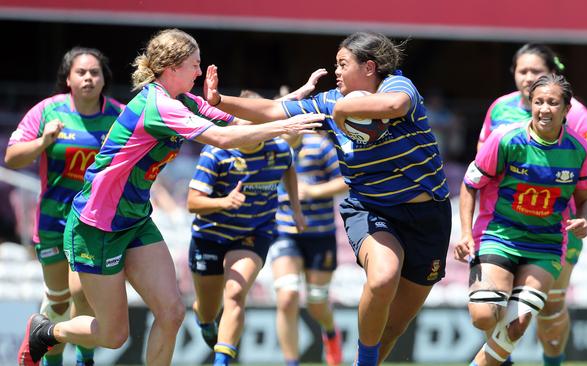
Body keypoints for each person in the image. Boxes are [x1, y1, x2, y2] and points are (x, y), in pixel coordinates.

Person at [17, 28, 323, 366]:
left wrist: (297, 99)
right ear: (173, 66)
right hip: (98, 225)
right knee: (113, 335)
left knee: (172, 312)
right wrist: (285, 128)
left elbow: (241, 118)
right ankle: (46, 332)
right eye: (195, 64)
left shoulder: (184, 101)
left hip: (134, 220)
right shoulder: (159, 105)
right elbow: (223, 138)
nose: (199, 72)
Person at [207, 31, 452, 366]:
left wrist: (343, 109)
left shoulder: (398, 85)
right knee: (382, 278)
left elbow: (392, 107)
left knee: (395, 326)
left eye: (342, 64)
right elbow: (272, 109)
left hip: (429, 219)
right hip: (372, 209)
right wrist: (219, 101)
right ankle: (364, 361)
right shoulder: (328, 102)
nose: (335, 72)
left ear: (369, 67)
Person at [477, 43, 587, 366]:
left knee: (550, 306)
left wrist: (551, 172)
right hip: (502, 222)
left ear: (551, 74)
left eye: (536, 72)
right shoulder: (499, 109)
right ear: (514, 74)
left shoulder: (572, 111)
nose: (528, 77)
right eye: (523, 71)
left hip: (554, 226)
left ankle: (553, 362)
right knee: (493, 303)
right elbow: (481, 160)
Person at [5, 46, 123, 366]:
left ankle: (85, 360)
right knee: (58, 301)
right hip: (53, 221)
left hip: (93, 223)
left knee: (82, 293)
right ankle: (52, 360)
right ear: (68, 79)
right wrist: (44, 141)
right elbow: (12, 158)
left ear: (104, 79)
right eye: (81, 72)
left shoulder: (119, 116)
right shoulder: (48, 111)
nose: (88, 78)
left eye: (94, 72)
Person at [187, 133, 305, 366]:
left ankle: (221, 362)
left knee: (235, 292)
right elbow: (192, 203)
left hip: (253, 233)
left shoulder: (279, 149)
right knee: (209, 310)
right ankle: (205, 319)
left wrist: (296, 208)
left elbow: (289, 166)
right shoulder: (216, 153)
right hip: (210, 236)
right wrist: (224, 202)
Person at [269, 130, 348, 366]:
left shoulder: (321, 146)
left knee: (317, 303)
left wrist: (313, 191)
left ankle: (330, 332)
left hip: (320, 233)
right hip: (284, 231)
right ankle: (291, 362)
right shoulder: (271, 145)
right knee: (287, 296)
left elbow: (345, 180)